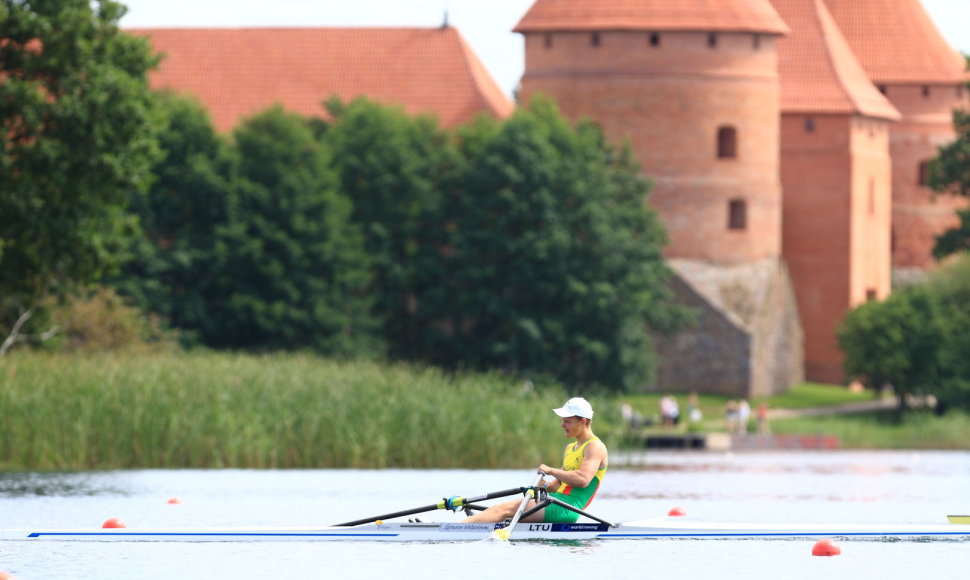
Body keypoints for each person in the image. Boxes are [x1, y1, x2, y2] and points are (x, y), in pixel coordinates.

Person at [463, 397, 608, 524]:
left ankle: (456, 528)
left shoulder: (594, 446)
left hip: (567, 507)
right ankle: (466, 526)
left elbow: (583, 480)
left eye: (567, 421)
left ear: (583, 421)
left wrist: (551, 470)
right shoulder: (570, 448)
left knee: (504, 510)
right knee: (497, 508)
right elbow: (556, 486)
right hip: (556, 499)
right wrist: (543, 485)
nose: (562, 425)